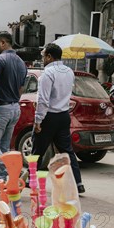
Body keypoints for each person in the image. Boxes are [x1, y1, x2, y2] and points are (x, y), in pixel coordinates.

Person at [32, 43, 85, 193]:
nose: (42, 59)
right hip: (63, 116)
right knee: (67, 151)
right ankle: (78, 183)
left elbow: (43, 100)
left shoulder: (47, 74)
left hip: (49, 117)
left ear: (49, 56)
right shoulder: (69, 71)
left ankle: (32, 181)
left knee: (37, 151)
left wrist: (38, 121)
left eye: (43, 56)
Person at [0, 31, 27, 179]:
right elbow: (21, 89)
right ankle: (3, 178)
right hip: (15, 108)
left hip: (2, 108)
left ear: (3, 43)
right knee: (4, 145)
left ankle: (15, 171)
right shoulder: (20, 62)